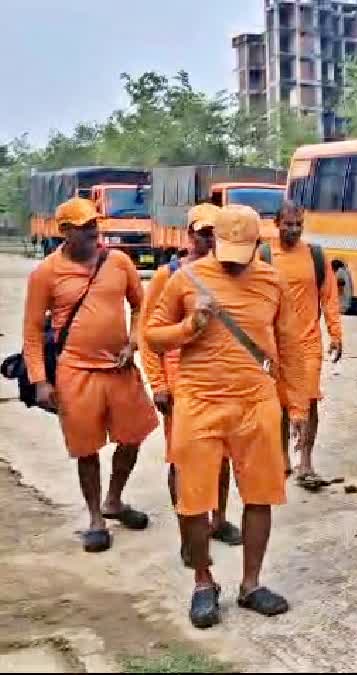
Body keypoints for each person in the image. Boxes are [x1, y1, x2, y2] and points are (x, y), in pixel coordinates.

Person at [145, 204, 309, 628]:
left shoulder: (273, 282)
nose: (234, 259)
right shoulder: (185, 279)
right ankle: (203, 582)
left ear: (259, 242)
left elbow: (290, 348)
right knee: (193, 503)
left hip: (256, 403)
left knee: (260, 497)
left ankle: (251, 584)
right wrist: (188, 328)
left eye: (244, 248)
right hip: (199, 402)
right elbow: (153, 336)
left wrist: (298, 406)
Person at [22, 197, 159, 553]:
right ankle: (96, 518)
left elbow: (141, 306)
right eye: (84, 227)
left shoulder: (119, 262)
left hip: (119, 368)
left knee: (133, 435)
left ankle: (114, 500)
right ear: (64, 231)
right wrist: (40, 381)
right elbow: (33, 332)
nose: (93, 232)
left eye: (94, 225)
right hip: (75, 371)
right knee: (87, 447)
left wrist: (133, 342)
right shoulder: (46, 273)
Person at [140, 204, 242, 563]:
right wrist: (158, 384)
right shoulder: (169, 276)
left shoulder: (230, 274)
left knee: (224, 456)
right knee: (183, 460)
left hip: (222, 384)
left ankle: (220, 520)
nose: (208, 239)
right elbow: (148, 334)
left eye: (214, 233)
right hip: (179, 383)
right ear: (190, 235)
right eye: (202, 233)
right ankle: (189, 536)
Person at [260, 201, 343, 487]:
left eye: (298, 225)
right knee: (281, 402)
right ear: (276, 224)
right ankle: (282, 461)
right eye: (288, 224)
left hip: (308, 342)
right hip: (275, 344)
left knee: (307, 398)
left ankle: (305, 463)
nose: (294, 230)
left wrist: (335, 333)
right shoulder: (264, 255)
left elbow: (329, 296)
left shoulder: (315, 255)